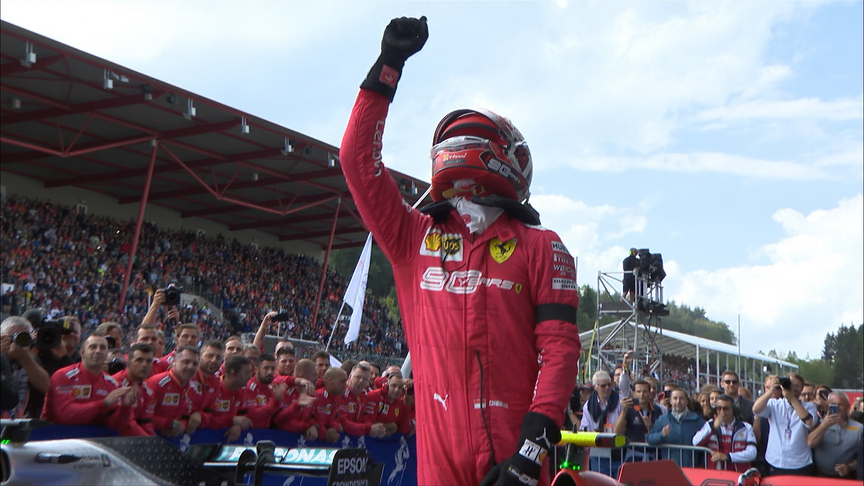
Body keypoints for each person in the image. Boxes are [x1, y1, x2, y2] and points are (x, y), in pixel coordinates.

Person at [340, 17, 581, 485]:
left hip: (516, 461)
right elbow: (356, 160)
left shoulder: (542, 246)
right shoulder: (412, 236)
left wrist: (530, 455)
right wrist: (387, 69)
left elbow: (560, 354)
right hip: (440, 461)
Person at [42, 335, 135, 429]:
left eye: (102, 348)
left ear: (107, 354)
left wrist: (125, 407)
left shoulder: (112, 383)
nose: (98, 351)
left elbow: (115, 426)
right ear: (82, 353)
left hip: (95, 439)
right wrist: (103, 403)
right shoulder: (64, 376)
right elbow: (64, 416)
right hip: (58, 437)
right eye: (93, 347)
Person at [752, 373, 819, 476]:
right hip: (775, 461)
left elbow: (809, 422)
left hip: (800, 463)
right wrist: (771, 391)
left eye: (797, 386)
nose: (793, 388)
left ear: (802, 389)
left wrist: (792, 399)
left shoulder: (809, 406)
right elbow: (756, 409)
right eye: (791, 384)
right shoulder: (775, 404)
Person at [693, 394, 757, 472]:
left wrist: (728, 456)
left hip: (738, 474)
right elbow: (695, 442)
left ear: (733, 410)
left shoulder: (746, 427)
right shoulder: (709, 425)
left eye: (726, 409)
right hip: (715, 473)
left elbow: (752, 453)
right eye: (719, 408)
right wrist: (713, 427)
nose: (722, 412)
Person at [145, 346, 200, 438]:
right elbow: (141, 417)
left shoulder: (194, 389)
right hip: (149, 438)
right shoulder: (156, 384)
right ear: (174, 362)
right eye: (186, 362)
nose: (190, 367)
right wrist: (169, 424)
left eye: (195, 363)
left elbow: (189, 416)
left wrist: (182, 425)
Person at [0, 316, 50, 417]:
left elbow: (45, 386)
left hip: (18, 421)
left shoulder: (29, 358)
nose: (18, 341)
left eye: (24, 337)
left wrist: (24, 358)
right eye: (13, 337)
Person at [647, 388, 705, 467]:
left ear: (687, 401)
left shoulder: (697, 420)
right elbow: (649, 438)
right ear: (670, 401)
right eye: (675, 398)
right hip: (669, 467)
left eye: (681, 398)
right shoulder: (663, 420)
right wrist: (661, 435)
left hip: (692, 467)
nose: (678, 401)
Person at [807, 392, 861, 478]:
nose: (837, 408)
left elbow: (862, 457)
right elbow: (810, 443)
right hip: (820, 474)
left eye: (840, 405)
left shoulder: (859, 428)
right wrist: (824, 425)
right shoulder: (818, 423)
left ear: (848, 406)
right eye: (833, 405)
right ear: (828, 406)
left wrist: (849, 467)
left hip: (846, 476)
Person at [111, 343, 156, 436]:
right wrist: (147, 441)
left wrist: (153, 441)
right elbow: (121, 423)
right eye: (139, 360)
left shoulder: (148, 391)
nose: (144, 365)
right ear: (129, 363)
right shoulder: (114, 384)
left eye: (148, 361)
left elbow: (147, 422)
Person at [615, 379, 664, 462]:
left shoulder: (657, 410)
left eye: (645, 391)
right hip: (634, 454)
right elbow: (617, 431)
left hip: (652, 454)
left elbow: (662, 432)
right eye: (638, 391)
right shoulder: (629, 409)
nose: (642, 394)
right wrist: (624, 411)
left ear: (649, 393)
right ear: (634, 393)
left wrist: (651, 426)